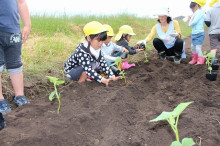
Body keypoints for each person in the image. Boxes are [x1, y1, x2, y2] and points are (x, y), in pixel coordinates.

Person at [64, 21, 121, 86]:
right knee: (92, 65)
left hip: (84, 68)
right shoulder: (82, 50)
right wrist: (103, 80)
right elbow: (88, 69)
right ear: (88, 38)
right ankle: (80, 83)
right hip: (71, 72)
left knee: (98, 65)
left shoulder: (97, 49)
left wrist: (112, 76)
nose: (101, 43)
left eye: (102, 40)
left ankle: (87, 77)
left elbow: (103, 63)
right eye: (98, 40)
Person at [0, 0, 31, 116]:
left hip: (13, 32)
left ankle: (20, 96)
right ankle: (0, 99)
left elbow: (21, 3)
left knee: (16, 64)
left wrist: (27, 25)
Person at [188, 0, 206, 65]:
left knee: (198, 48)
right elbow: (192, 21)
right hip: (194, 33)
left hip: (199, 33)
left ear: (196, 6)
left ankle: (201, 59)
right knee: (193, 47)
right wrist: (190, 20)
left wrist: (189, 23)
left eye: (192, 8)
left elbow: (195, 22)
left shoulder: (200, 12)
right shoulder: (195, 13)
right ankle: (194, 59)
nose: (192, 10)